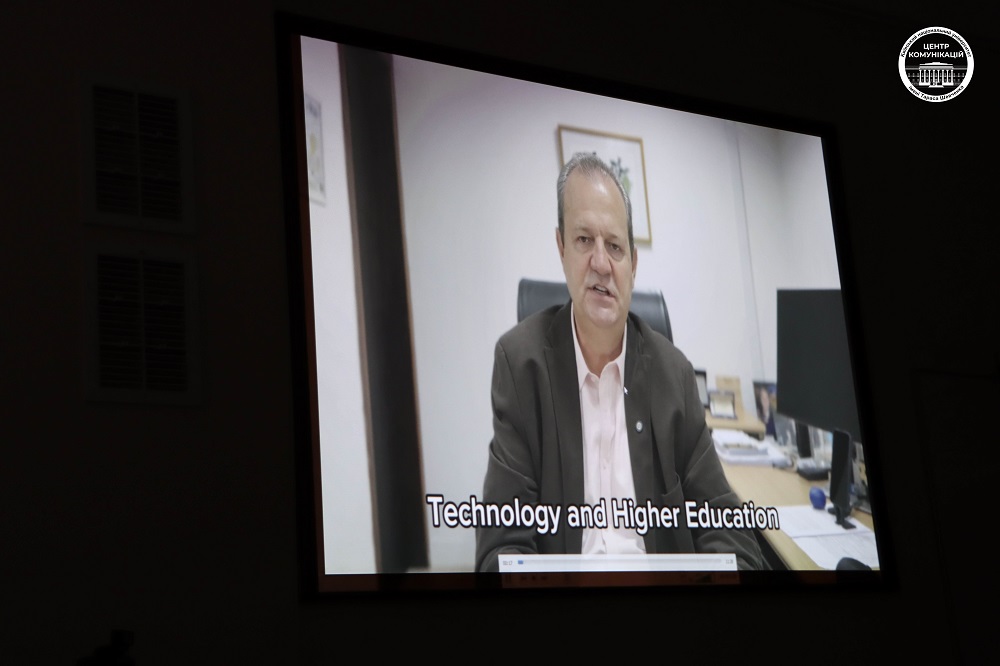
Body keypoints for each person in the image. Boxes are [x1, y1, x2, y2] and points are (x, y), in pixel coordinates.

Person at [475, 153, 763, 572]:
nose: (601, 264)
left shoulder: (675, 375)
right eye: (583, 240)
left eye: (614, 246)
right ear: (561, 248)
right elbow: (502, 548)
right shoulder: (521, 366)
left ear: (633, 263)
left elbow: (730, 531)